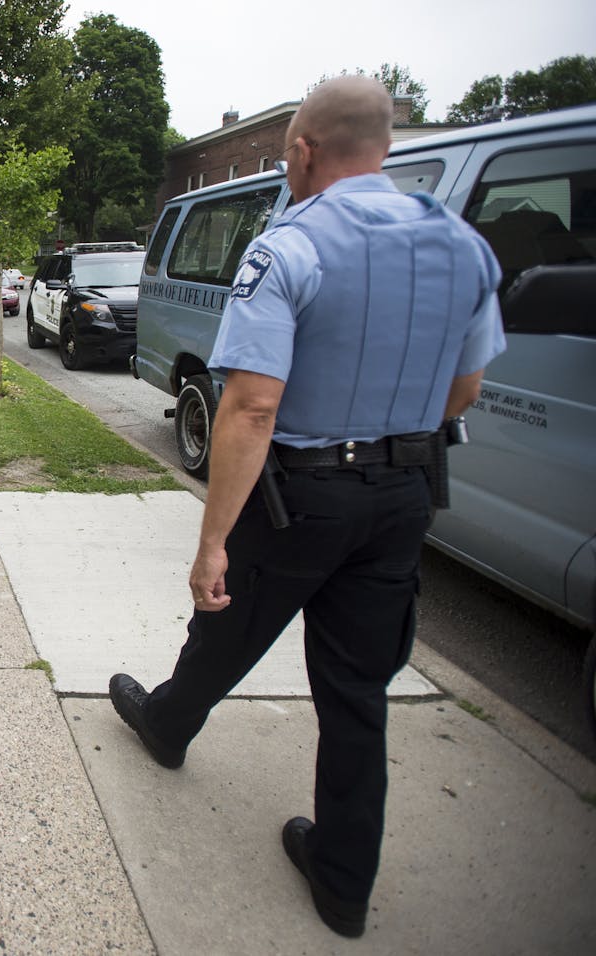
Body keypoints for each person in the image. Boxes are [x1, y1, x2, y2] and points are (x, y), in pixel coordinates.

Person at [108, 76, 505, 939]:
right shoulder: (464, 246)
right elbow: (462, 392)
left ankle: (169, 726)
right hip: (405, 494)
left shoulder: (289, 247)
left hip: (300, 495)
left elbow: (251, 407)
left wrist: (213, 540)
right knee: (359, 690)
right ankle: (343, 884)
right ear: (385, 146)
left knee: (227, 624)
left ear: (301, 151)